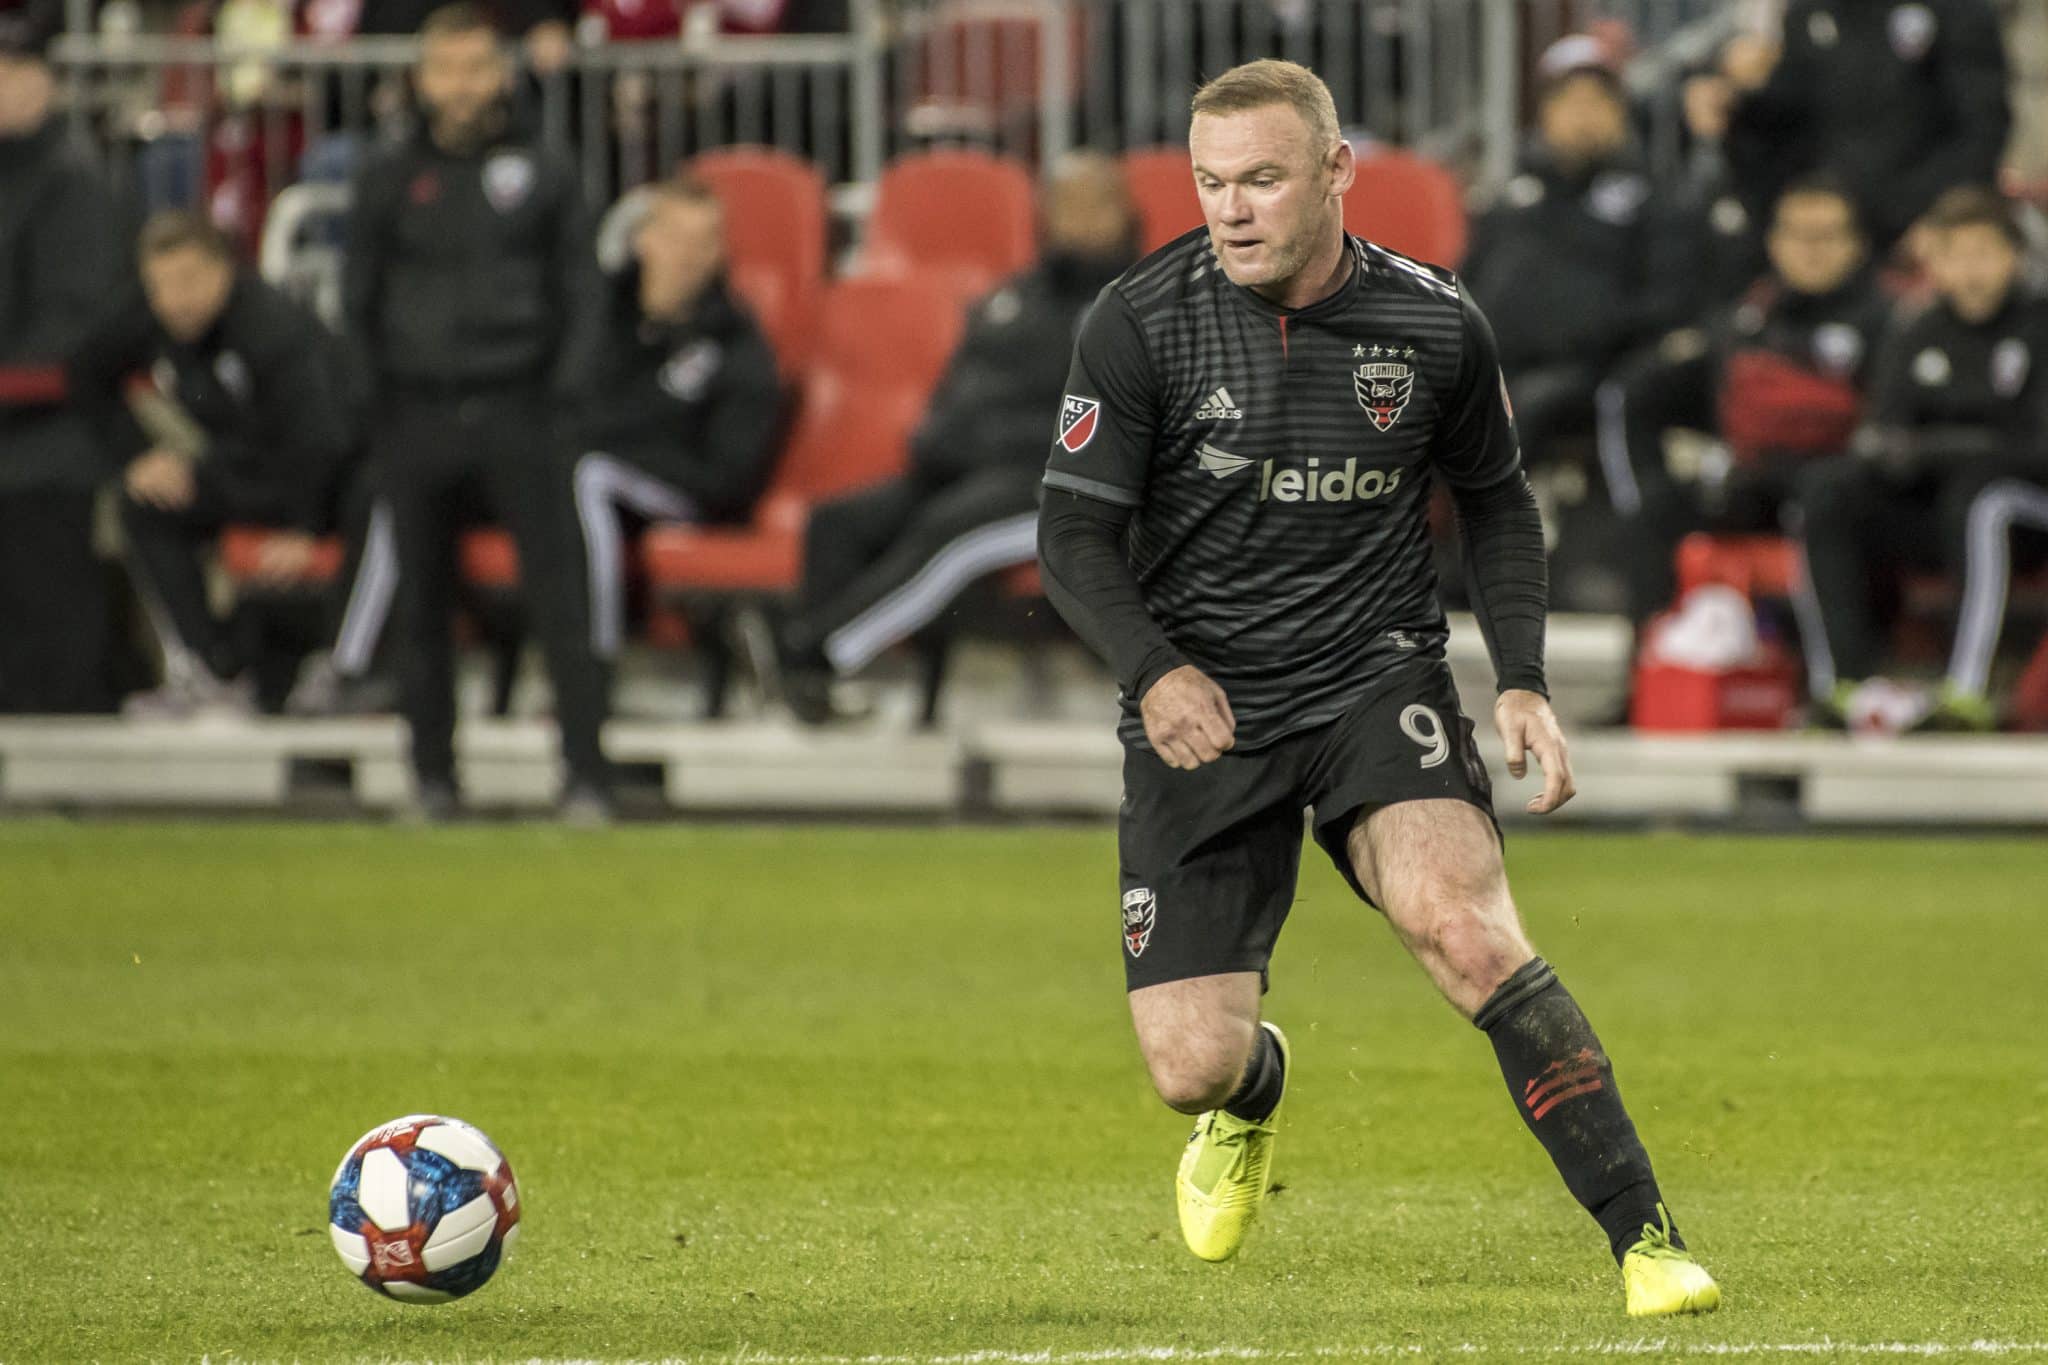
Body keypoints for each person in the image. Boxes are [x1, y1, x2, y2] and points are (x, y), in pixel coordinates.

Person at [1035, 59, 1720, 1317]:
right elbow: (1070, 536)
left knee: (1465, 930)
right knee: (1189, 1066)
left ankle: (1649, 1243)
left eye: (1259, 179)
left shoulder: (1432, 322)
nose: (1229, 209)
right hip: (1205, 710)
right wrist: (1155, 668)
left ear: (1335, 173)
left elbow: (1500, 503)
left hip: (1370, 677)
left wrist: (1519, 679)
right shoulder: (1137, 322)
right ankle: (1253, 1095)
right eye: (1207, 182)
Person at [764, 151, 1137, 723]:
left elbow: (1105, 421)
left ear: (1123, 211)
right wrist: (937, 439)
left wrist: (990, 446)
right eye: (1063, 205)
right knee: (838, 520)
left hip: (1063, 484)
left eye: (1092, 204)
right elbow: (956, 386)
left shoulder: (1135, 302)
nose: (1076, 220)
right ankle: (821, 695)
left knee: (950, 534)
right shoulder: (1016, 295)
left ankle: (815, 654)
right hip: (963, 466)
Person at [345, 0, 606, 818]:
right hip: (417, 412)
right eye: (444, 68)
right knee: (420, 606)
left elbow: (582, 292)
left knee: (561, 599)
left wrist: (562, 396)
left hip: (520, 408)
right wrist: (376, 400)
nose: (460, 86)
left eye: (474, 67)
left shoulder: (549, 170)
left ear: (501, 72)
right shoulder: (386, 177)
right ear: (420, 79)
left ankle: (587, 776)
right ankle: (431, 778)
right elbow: (359, 299)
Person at [66, 212, 357, 715]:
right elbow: (86, 373)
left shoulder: (273, 329)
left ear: (224, 269)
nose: (174, 300)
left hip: (323, 481)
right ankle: (212, 666)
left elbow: (321, 439)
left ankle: (344, 668)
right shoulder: (150, 316)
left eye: (188, 281)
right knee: (144, 506)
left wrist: (307, 526)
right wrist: (138, 456)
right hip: (239, 470)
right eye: (159, 285)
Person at [1793, 187, 2048, 731]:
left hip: (2026, 508)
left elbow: (2034, 443)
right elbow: (1883, 435)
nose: (1970, 269)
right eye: (1955, 254)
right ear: (1935, 262)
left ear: (2014, 257)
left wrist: (1943, 449)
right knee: (1825, 492)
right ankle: (1841, 686)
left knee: (1984, 497)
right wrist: (1946, 449)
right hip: (1934, 506)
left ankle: (1967, 692)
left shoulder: (2038, 326)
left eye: (1984, 252)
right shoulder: (1916, 329)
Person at [558, 174, 784, 766]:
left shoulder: (735, 342)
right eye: (674, 237)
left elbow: (732, 469)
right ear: (643, 240)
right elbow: (565, 402)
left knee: (589, 473)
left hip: (692, 490)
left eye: (704, 241)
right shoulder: (597, 314)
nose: (689, 255)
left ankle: (590, 673)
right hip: (590, 471)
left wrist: (619, 437)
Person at [1596, 176, 1893, 621]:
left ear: (1856, 244)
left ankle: (1842, 679)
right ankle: (1656, 666)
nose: (1811, 250)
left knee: (1825, 499)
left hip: (1847, 490)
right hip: (1756, 480)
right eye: (1797, 235)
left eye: (1827, 236)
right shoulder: (1748, 318)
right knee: (1656, 512)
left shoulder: (1889, 320)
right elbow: (1644, 391)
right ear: (1774, 243)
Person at [1460, 37, 1687, 468]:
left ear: (1620, 112)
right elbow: (1463, 289)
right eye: (1568, 100)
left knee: (1514, 414)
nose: (1583, 115)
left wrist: (1578, 334)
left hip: (1593, 373)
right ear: (1544, 113)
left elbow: (1663, 304)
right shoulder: (1509, 202)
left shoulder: (1653, 204)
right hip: (1500, 366)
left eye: (1597, 101)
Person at [0, 0, 124, 713]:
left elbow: (75, 329)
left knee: (48, 637)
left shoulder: (73, 180)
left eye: (19, 70)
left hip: (49, 444)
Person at [1703, 0, 2010, 251]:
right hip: (1832, 232)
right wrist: (1736, 107)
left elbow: (1982, 129)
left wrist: (1932, 214)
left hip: (1922, 230)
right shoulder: (1809, 13)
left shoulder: (1956, 11)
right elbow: (1785, 121)